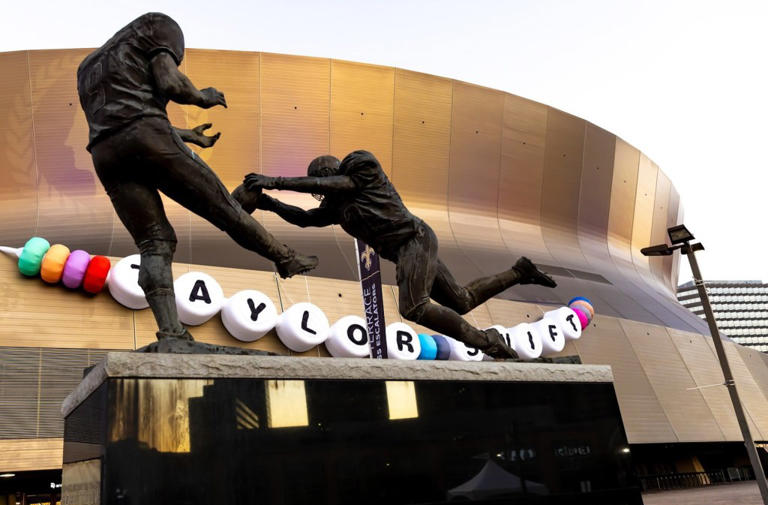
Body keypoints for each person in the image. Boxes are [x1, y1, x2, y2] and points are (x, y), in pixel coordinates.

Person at [77, 13, 317, 343]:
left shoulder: (88, 66)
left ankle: (171, 331)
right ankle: (286, 259)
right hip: (148, 136)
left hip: (106, 153)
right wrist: (204, 97)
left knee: (155, 243)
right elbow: (170, 84)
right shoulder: (157, 25)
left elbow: (122, 121)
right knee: (225, 208)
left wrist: (188, 135)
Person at [233, 151, 557, 358]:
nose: (323, 193)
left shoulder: (362, 168)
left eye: (324, 184)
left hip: (414, 240)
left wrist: (274, 182)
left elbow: (334, 184)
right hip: (406, 252)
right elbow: (305, 219)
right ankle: (520, 271)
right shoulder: (337, 208)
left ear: (333, 172)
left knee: (414, 307)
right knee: (461, 300)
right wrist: (268, 203)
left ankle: (487, 342)